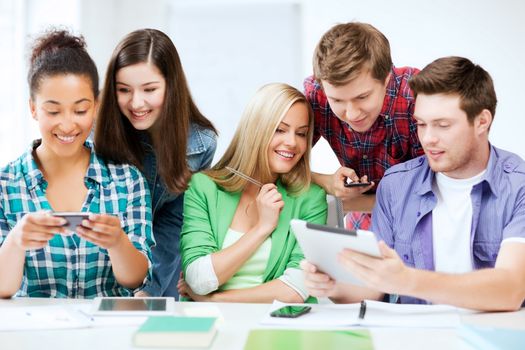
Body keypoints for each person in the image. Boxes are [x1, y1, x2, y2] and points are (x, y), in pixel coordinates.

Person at [302, 56, 525, 311]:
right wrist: (334, 286)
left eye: (442, 125)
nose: (428, 139)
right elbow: (375, 288)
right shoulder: (396, 185)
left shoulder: (518, 186)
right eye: (421, 124)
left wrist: (408, 281)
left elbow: (511, 289)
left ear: (482, 121)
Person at [0, 29, 154, 298]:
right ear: (33, 108)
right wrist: (15, 241)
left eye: (80, 110)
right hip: (34, 337)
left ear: (96, 106)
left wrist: (118, 243)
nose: (68, 124)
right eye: (53, 110)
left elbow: (136, 281)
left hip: (106, 336)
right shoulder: (5, 184)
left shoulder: (127, 181)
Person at [95, 29, 217, 298]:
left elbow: (173, 225)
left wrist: (148, 289)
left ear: (171, 85)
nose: (136, 103)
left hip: (158, 275)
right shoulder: (95, 131)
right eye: (124, 90)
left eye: (149, 89)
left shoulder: (199, 145)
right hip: (97, 271)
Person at [177, 83, 327, 303]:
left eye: (301, 133)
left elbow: (296, 289)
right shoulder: (204, 188)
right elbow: (198, 279)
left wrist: (216, 300)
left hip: (278, 328)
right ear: (256, 129)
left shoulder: (311, 199)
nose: (292, 142)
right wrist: (261, 228)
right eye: (280, 129)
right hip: (210, 328)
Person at [304, 22, 423, 229]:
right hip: (362, 227)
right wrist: (326, 182)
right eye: (338, 101)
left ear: (386, 78)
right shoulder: (317, 96)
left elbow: (442, 188)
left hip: (421, 226)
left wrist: (354, 203)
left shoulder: (418, 97)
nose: (351, 114)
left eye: (362, 97)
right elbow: (274, 163)